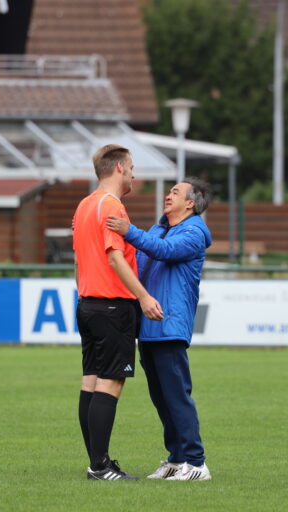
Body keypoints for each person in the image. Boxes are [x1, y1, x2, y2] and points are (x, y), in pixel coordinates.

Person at [105, 177, 213, 481]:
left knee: (177, 396)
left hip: (170, 324)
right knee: (162, 397)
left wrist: (128, 232)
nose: (168, 196)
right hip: (150, 325)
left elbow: (164, 251)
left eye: (175, 192)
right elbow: (140, 257)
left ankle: (197, 462)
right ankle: (177, 458)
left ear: (190, 203)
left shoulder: (194, 232)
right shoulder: (159, 229)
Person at [72, 144, 163, 481]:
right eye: (133, 166)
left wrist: (84, 295)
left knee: (91, 382)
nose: (135, 173)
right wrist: (142, 297)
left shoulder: (83, 206)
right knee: (110, 383)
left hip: (88, 303)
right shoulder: (112, 207)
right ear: (120, 168)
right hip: (113, 305)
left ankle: (98, 461)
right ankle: (100, 466)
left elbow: (80, 260)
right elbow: (114, 257)